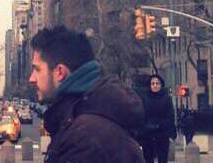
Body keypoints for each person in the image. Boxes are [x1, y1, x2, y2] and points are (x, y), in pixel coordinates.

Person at [28, 26, 145, 163]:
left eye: (37, 69)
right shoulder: (83, 117)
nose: (31, 78)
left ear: (60, 72)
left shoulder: (85, 137)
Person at [137, 74, 176, 163]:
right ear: (149, 85)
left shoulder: (166, 99)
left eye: (157, 83)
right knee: (148, 158)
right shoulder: (144, 99)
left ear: (161, 85)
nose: (155, 85)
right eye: (153, 83)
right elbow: (141, 115)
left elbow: (170, 116)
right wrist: (143, 130)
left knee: (162, 158)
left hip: (162, 134)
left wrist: (170, 133)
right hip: (148, 134)